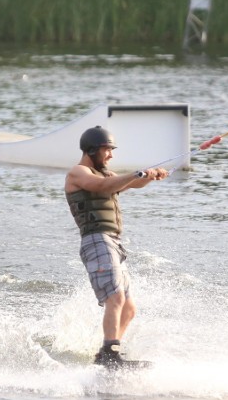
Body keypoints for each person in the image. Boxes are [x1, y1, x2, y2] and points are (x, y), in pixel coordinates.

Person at [64, 126, 169, 367]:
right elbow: (101, 187)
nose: (110, 155)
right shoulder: (78, 173)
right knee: (116, 296)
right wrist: (136, 174)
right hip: (96, 239)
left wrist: (150, 176)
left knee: (129, 308)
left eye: (112, 150)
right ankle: (110, 353)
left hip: (113, 243)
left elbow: (130, 184)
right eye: (106, 150)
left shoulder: (108, 176)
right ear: (91, 150)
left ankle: (106, 355)